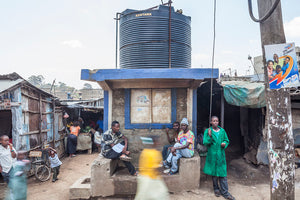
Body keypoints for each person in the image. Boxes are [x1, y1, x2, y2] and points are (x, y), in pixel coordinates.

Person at [203, 116, 235, 200]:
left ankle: (225, 193)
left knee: (222, 174)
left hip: (221, 156)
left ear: (218, 122)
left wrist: (224, 143)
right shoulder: (208, 131)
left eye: (217, 121)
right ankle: (216, 189)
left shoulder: (222, 131)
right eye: (213, 121)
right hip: (212, 156)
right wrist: (209, 136)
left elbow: (226, 140)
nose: (215, 122)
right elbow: (205, 142)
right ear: (211, 122)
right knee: (214, 174)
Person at [135, 136, 169, 200]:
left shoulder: (144, 151)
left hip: (143, 177)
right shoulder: (155, 153)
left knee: (143, 196)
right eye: (157, 141)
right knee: (161, 194)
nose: (158, 143)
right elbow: (156, 167)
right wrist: (162, 170)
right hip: (151, 179)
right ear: (153, 143)